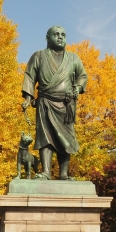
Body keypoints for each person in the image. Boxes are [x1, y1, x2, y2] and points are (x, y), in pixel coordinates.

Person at [21, 25, 87, 180]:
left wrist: (77, 88)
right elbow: (30, 76)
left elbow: (82, 76)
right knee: (45, 137)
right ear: (47, 37)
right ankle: (45, 172)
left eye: (63, 34)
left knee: (66, 139)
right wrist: (28, 98)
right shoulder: (38, 56)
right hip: (45, 102)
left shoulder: (73, 58)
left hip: (66, 104)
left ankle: (64, 174)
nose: (60, 37)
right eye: (56, 34)